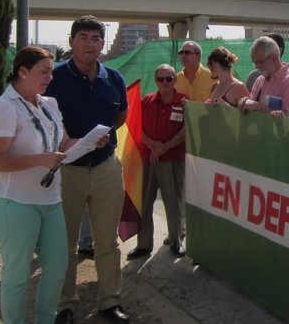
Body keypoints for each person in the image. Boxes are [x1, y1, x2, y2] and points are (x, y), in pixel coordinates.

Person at [0, 46, 104, 324]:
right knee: (17, 275)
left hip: (50, 201)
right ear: (23, 71)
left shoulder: (49, 104)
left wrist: (88, 142)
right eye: (44, 71)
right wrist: (42, 159)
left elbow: (62, 144)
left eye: (51, 71)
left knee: (57, 268)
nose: (50, 77)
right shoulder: (3, 107)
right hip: (14, 202)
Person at [46, 16, 130, 324]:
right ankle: (65, 304)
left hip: (107, 168)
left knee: (107, 241)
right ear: (71, 42)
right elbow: (45, 122)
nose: (89, 44)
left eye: (96, 38)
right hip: (67, 171)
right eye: (83, 37)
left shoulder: (114, 78)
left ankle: (110, 301)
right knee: (64, 243)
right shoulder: (54, 78)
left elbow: (120, 115)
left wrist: (100, 138)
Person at [127, 65, 188, 261]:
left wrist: (165, 146)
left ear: (174, 80)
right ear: (156, 81)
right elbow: (137, 125)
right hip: (149, 158)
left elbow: (186, 129)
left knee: (174, 202)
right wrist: (153, 146)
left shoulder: (184, 102)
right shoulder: (147, 101)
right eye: (161, 79)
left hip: (172, 159)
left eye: (169, 79)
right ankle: (143, 244)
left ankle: (175, 240)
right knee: (145, 202)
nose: (165, 83)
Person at [238, 36, 289, 116]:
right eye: (255, 63)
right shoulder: (260, 79)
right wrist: (245, 102)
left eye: (261, 62)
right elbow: (252, 104)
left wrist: (259, 107)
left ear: (274, 58)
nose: (257, 67)